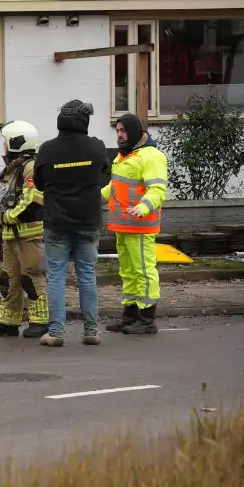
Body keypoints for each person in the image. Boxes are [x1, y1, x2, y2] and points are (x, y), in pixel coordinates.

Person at [33, 100, 110, 346]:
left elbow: (39, 183)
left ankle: (55, 333)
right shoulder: (96, 147)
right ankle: (90, 331)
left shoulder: (47, 150)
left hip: (57, 221)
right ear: (84, 121)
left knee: (56, 275)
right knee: (87, 274)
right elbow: (105, 176)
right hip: (88, 220)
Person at [102, 113, 168, 335]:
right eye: (117, 131)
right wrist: (89, 199)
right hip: (123, 225)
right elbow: (113, 189)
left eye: (123, 131)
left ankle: (146, 320)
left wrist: (142, 207)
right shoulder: (124, 157)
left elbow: (157, 189)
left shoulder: (151, 156)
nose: (120, 135)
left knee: (144, 271)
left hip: (140, 226)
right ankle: (129, 317)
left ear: (135, 131)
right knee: (128, 272)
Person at [0, 120, 50, 340]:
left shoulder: (31, 167)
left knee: (32, 276)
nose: (3, 146)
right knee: (9, 278)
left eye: (6, 142)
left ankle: (40, 321)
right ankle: (8, 321)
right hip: (13, 233)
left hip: (29, 233)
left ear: (16, 142)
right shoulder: (14, 168)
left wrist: (7, 217)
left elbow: (32, 200)